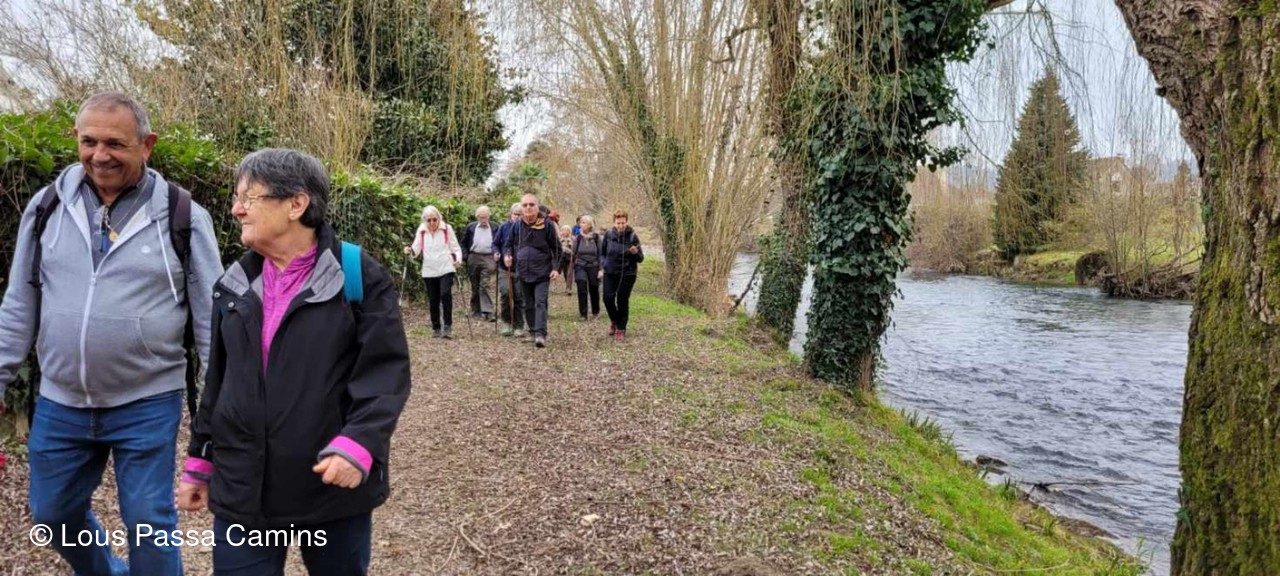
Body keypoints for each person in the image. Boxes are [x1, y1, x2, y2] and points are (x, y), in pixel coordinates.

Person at [0, 92, 223, 575]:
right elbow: (19, 303)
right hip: (61, 401)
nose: (99, 155)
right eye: (89, 141)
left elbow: (212, 319)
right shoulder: (45, 207)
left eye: (115, 144)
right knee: (52, 517)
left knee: (148, 524)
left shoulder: (184, 216)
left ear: (148, 144)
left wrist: (218, 405)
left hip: (147, 400)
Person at [176, 148, 411, 576]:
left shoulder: (356, 274)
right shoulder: (234, 284)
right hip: (243, 490)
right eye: (237, 198)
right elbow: (219, 383)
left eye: (248, 197)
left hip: (329, 485)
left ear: (296, 204)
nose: (236, 209)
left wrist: (358, 445)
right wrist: (201, 461)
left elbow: (385, 373)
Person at [503, 192, 563, 348]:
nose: (528, 208)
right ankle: (532, 331)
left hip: (542, 272)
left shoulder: (547, 225)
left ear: (537, 207)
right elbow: (508, 244)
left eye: (531, 204)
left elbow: (557, 248)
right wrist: (507, 255)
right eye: (525, 205)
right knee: (528, 304)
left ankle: (540, 334)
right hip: (523, 271)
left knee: (540, 302)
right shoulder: (517, 225)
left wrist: (556, 268)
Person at [407, 206, 462, 339]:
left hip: (446, 267)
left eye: (434, 219)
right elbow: (416, 250)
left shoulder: (447, 229)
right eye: (429, 220)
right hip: (429, 270)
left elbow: (456, 248)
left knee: (445, 294)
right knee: (433, 299)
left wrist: (457, 259)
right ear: (424, 220)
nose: (432, 223)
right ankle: (436, 327)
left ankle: (447, 326)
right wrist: (409, 251)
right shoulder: (421, 231)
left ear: (439, 218)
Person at [600, 210, 644, 342]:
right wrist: (604, 264)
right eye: (618, 223)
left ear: (627, 222)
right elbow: (602, 253)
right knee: (607, 299)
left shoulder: (633, 236)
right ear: (614, 222)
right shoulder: (608, 235)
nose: (621, 225)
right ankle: (614, 320)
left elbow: (641, 258)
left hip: (628, 273)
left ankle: (621, 328)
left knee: (622, 300)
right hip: (610, 272)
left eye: (623, 223)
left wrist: (635, 253)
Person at [493, 202, 526, 337]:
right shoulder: (503, 227)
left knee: (519, 296)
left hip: (520, 268)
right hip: (504, 267)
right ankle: (506, 322)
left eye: (520, 215)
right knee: (506, 293)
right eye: (515, 214)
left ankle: (519, 325)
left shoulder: (527, 229)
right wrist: (496, 253)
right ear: (511, 214)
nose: (517, 217)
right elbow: (495, 244)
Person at [460, 205, 497, 322]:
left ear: (489, 216)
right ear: (477, 217)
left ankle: (488, 311)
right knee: (475, 285)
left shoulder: (495, 227)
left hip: (489, 257)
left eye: (486, 217)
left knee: (484, 284)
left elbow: (499, 242)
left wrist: (497, 254)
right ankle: (476, 309)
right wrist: (466, 256)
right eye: (481, 217)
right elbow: (463, 243)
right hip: (474, 257)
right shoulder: (471, 227)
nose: (484, 219)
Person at [572, 215, 603, 321]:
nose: (581, 224)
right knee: (581, 286)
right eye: (581, 222)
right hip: (580, 265)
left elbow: (601, 254)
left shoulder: (596, 238)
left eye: (584, 222)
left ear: (590, 225)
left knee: (594, 288)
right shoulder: (578, 238)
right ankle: (583, 314)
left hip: (593, 265)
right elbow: (573, 253)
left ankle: (595, 311)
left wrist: (601, 269)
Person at [558, 224, 575, 295]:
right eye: (562, 230)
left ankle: (569, 289)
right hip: (562, 258)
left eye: (565, 230)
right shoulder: (559, 239)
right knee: (565, 273)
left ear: (569, 231)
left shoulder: (572, 239)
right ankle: (567, 287)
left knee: (569, 273)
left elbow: (574, 249)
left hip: (570, 258)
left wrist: (567, 248)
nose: (564, 232)